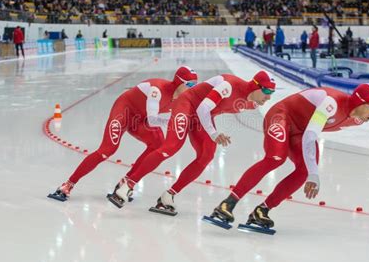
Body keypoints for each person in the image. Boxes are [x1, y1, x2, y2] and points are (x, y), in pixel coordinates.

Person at [210, 83, 369, 229]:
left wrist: (311, 172)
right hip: (282, 116)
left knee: (304, 170)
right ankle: (227, 204)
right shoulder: (331, 103)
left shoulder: (359, 119)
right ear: (360, 102)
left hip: (300, 131)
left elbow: (308, 132)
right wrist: (315, 173)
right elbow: (310, 135)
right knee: (275, 158)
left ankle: (262, 210)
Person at [108, 71, 276, 212]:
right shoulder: (229, 85)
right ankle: (127, 185)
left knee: (206, 156)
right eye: (267, 92)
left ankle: (169, 195)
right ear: (256, 86)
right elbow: (204, 108)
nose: (268, 97)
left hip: (202, 118)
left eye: (272, 93)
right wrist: (213, 133)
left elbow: (210, 111)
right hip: (187, 105)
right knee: (171, 147)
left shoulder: (250, 103)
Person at [48, 67, 199, 201]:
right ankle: (68, 184)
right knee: (107, 150)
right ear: (180, 83)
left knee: (158, 144)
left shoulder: (183, 99)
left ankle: (125, 183)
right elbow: (153, 120)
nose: (193, 88)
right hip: (124, 112)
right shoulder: (157, 90)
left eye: (195, 85)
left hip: (141, 119)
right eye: (190, 85)